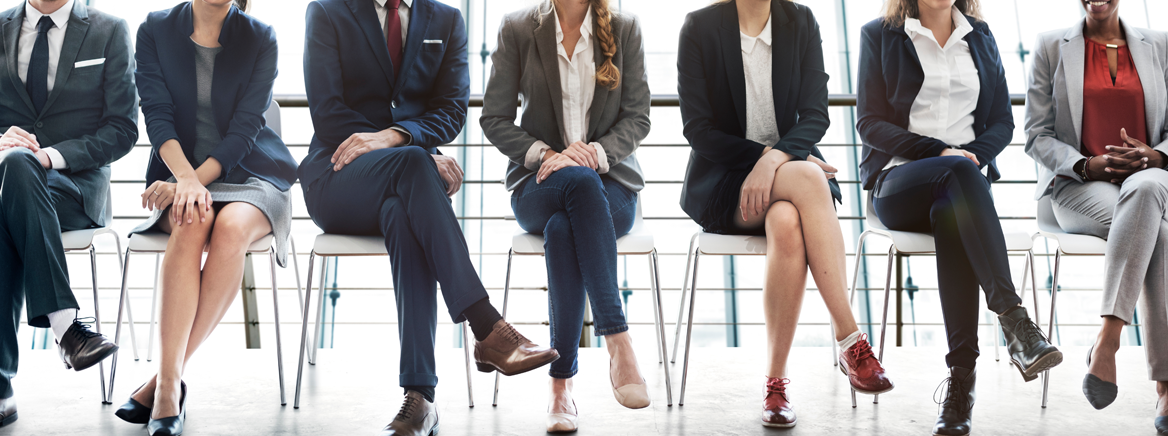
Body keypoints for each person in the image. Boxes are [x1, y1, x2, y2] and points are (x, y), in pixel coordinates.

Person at [302, 0, 560, 434]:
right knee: (417, 166)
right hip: (337, 176)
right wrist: (411, 152)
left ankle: (419, 398)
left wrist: (399, 140)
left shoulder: (446, 19)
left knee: (405, 215)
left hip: (405, 183)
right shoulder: (327, 11)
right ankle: (486, 325)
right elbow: (327, 112)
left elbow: (451, 110)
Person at [677, 0, 893, 428]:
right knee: (809, 179)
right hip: (726, 181)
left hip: (790, 178)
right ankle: (851, 340)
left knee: (786, 223)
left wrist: (776, 161)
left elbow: (815, 114)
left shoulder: (801, 21)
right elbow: (698, 130)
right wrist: (769, 158)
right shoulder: (699, 27)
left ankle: (776, 386)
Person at [857, 0, 1063, 434]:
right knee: (958, 178)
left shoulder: (981, 36)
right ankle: (1014, 320)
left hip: (960, 189)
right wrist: (941, 152)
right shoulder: (879, 34)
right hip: (899, 183)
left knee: (953, 206)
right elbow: (870, 123)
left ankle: (960, 386)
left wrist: (968, 158)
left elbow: (1002, 122)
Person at [113, 1, 297, 435]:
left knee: (231, 228)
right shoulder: (156, 29)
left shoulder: (260, 37)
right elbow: (157, 118)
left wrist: (191, 183)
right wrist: (184, 181)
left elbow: (245, 131)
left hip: (252, 174)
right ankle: (169, 385)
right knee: (191, 220)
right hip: (180, 173)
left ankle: (164, 385)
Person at [481, 0, 651, 431]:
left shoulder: (625, 28)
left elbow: (638, 117)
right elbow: (494, 118)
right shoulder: (519, 28)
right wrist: (548, 155)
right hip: (539, 183)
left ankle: (561, 385)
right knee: (576, 184)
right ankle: (618, 339)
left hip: (611, 186)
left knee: (563, 228)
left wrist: (594, 153)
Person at [1024, 0, 1168, 432]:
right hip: (1079, 185)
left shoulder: (1161, 45)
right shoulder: (1051, 46)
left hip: (1152, 181)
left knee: (1144, 190)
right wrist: (1089, 165)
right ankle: (1166, 389)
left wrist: (1156, 156)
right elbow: (1037, 134)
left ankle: (1107, 339)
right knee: (1157, 234)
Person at [0, 0, 136, 426]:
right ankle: (68, 329)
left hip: (73, 187)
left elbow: (123, 129)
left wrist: (51, 157)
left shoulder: (109, 30)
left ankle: (1, 386)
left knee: (18, 176)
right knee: (13, 178)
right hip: (7, 180)